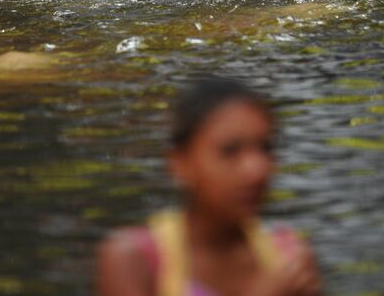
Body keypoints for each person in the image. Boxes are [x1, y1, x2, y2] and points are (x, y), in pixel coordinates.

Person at [96, 78, 322, 296]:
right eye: (230, 151)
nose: (257, 169)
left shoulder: (288, 259)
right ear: (180, 163)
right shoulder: (135, 260)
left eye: (265, 148)